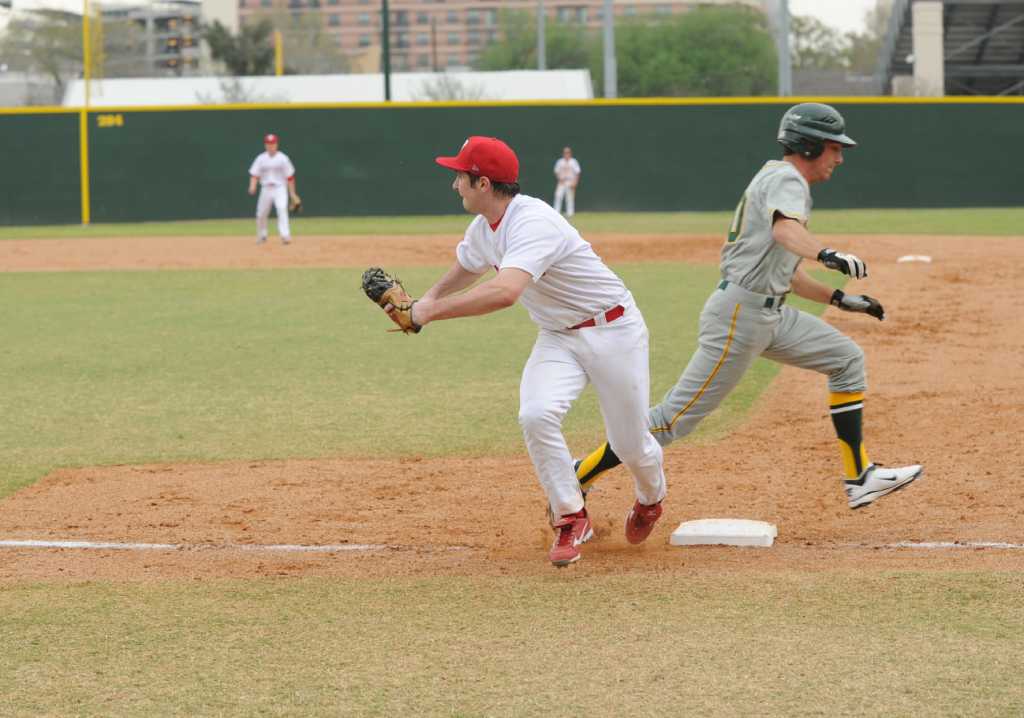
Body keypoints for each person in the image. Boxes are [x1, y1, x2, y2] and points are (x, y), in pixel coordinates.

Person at [574, 103, 922, 510]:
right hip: (740, 316)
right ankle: (577, 474)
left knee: (846, 360)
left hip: (770, 315)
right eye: (833, 148)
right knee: (671, 421)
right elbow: (785, 230)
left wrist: (840, 299)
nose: (840, 157)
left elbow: (788, 274)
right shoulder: (787, 181)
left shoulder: (780, 181)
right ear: (809, 146)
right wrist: (827, 254)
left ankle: (860, 477)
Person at [414, 136, 667, 567]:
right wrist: (423, 300)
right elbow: (466, 268)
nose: (455, 183)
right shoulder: (483, 229)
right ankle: (572, 516)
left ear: (482, 182)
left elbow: (506, 292)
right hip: (558, 336)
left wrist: (431, 312)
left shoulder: (534, 222)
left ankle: (650, 498)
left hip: (614, 330)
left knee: (629, 444)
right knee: (535, 414)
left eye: (460, 176)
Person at [247, 133, 301, 245]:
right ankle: (262, 236)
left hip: (280, 188)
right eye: (268, 143)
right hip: (265, 188)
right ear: (265, 145)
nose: (270, 146)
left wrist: (292, 193)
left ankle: (285, 236)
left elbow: (290, 177)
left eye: (272, 143)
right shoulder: (261, 158)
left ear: (276, 144)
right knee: (261, 213)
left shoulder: (283, 158)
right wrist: (252, 185)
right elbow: (254, 174)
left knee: (281, 209)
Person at [552, 146, 581, 218]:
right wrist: (559, 178)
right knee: (558, 196)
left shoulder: (573, 161)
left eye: (568, 152)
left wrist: (575, 182)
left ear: (570, 153)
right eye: (565, 152)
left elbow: (578, 172)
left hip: (570, 181)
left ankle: (570, 213)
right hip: (562, 181)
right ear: (563, 153)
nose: (566, 154)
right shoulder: (560, 161)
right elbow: (556, 171)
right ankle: (556, 212)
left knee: (570, 198)